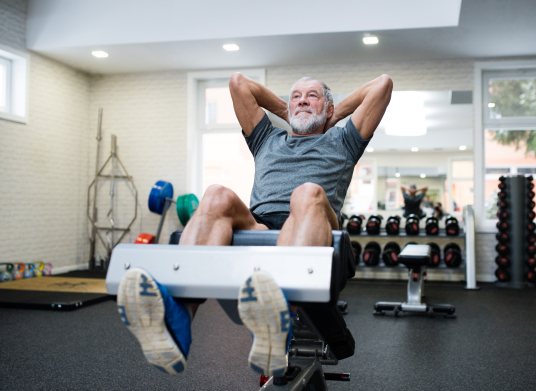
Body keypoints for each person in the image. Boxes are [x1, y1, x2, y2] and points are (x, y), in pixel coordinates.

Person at [116, 73, 393, 377]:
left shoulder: (343, 140)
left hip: (314, 225)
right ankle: (179, 322)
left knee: (306, 192)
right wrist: (290, 111)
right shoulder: (267, 139)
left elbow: (382, 85)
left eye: (312, 95)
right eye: (295, 95)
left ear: (327, 108)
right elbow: (238, 83)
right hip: (260, 228)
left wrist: (334, 113)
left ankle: (278, 321)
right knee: (216, 195)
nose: (302, 99)